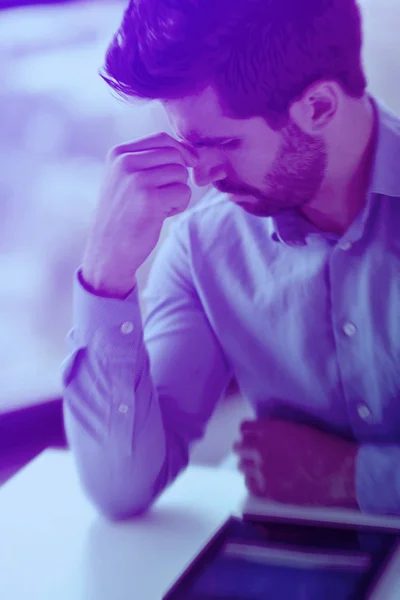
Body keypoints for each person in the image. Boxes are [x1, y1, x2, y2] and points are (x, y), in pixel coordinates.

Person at [62, 0, 400, 520]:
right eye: (189, 144)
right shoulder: (204, 247)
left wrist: (351, 477)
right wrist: (105, 274)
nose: (201, 177)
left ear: (319, 107)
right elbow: (122, 488)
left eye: (221, 143)